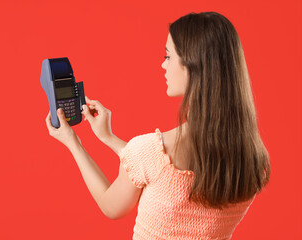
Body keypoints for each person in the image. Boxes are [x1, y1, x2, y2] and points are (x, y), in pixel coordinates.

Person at [45, 11, 271, 240]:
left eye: (168, 56)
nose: (163, 65)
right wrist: (108, 138)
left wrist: (73, 142)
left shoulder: (149, 152)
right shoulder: (254, 161)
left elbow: (110, 206)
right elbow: (157, 170)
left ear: (193, 66)